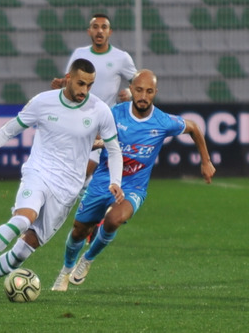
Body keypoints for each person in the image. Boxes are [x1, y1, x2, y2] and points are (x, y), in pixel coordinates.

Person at [0, 58, 124, 300]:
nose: (85, 90)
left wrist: (115, 180)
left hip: (67, 190)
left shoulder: (100, 110)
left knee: (25, 248)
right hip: (39, 173)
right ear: (68, 78)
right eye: (81, 83)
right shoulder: (43, 102)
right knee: (23, 219)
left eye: (90, 85)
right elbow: (8, 130)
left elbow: (114, 149)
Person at [51, 69, 216, 292]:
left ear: (155, 93)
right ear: (131, 90)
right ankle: (65, 269)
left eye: (149, 91)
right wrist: (97, 143)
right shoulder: (113, 114)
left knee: (114, 220)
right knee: (79, 231)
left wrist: (205, 162)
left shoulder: (162, 121)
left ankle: (87, 260)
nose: (143, 96)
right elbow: (89, 140)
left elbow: (194, 127)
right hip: (103, 181)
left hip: (133, 187)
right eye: (139, 90)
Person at [52, 14, 137, 242]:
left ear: (110, 32)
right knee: (82, 174)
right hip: (77, 121)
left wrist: (129, 93)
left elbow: (138, 83)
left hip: (104, 122)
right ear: (89, 31)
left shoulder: (121, 58)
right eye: (95, 27)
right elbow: (70, 80)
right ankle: (96, 215)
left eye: (104, 27)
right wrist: (62, 84)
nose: (99, 31)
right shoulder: (80, 54)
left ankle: (92, 217)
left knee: (86, 168)